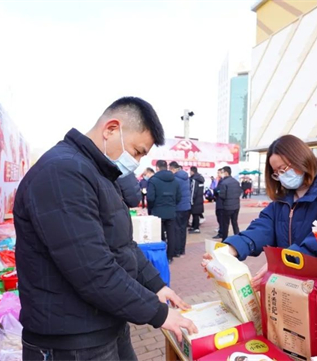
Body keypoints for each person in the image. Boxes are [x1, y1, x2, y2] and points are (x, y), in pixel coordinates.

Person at [13, 97, 196, 361]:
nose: (135, 161)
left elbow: (123, 244)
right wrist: (159, 314)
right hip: (72, 339)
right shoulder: (62, 173)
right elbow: (92, 270)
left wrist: (156, 285)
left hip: (104, 323)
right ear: (111, 129)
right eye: (136, 151)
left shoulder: (99, 173)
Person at [202, 135, 317, 360]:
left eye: (284, 168)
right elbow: (262, 227)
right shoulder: (282, 199)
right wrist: (229, 250)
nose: (281, 176)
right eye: (276, 172)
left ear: (302, 159)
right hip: (297, 290)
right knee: (300, 351)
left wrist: (282, 264)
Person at [147, 160, 181, 262]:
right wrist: (172, 205)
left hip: (157, 212)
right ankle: (170, 256)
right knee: (171, 235)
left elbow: (150, 198)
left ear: (157, 168)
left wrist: (151, 209)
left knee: (159, 235)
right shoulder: (175, 180)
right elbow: (179, 197)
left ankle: (160, 256)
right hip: (171, 211)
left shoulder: (153, 180)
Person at [169, 162, 191, 257]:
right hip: (187, 206)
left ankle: (177, 251)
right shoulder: (186, 178)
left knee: (176, 229)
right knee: (183, 229)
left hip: (178, 207)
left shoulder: (175, 179)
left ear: (173, 169)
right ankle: (182, 249)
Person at [218, 166, 241, 240]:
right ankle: (238, 238)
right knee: (235, 223)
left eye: (222, 172)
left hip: (227, 207)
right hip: (236, 206)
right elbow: (239, 193)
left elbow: (222, 195)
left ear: (226, 173)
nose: (222, 174)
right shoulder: (236, 182)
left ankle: (224, 239)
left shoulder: (224, 183)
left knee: (225, 224)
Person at [189, 166, 205, 234]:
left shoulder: (195, 180)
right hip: (199, 199)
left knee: (195, 214)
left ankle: (196, 228)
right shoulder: (200, 179)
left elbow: (193, 191)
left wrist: (191, 200)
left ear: (192, 171)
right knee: (196, 214)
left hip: (195, 200)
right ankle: (193, 226)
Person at [213, 168, 225, 238]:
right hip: (220, 202)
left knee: (221, 218)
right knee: (220, 218)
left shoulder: (223, 181)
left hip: (221, 203)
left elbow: (219, 190)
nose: (218, 174)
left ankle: (221, 232)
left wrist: (216, 191)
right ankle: (222, 231)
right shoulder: (220, 180)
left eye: (219, 173)